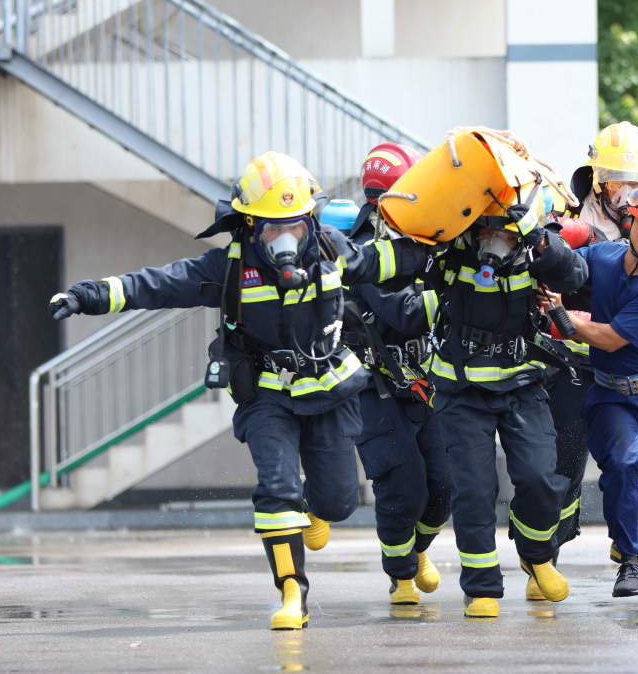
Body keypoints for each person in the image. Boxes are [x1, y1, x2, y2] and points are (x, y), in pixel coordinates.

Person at [48, 151, 427, 630]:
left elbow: (383, 260)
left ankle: (312, 507)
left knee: (338, 504)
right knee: (277, 489)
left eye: (294, 224)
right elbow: (158, 284)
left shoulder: (331, 249)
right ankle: (293, 595)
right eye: (271, 227)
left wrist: (442, 247)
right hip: (267, 396)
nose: (284, 237)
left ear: (310, 219)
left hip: (329, 392)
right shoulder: (229, 267)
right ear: (250, 226)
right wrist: (85, 295)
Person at [538, 176, 638, 612]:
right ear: (629, 219)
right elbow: (568, 264)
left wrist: (558, 313)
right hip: (611, 395)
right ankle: (631, 558)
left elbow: (609, 339)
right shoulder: (604, 256)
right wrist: (541, 239)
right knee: (625, 458)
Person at [420, 191, 588, 618]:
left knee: (539, 477)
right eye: (486, 228)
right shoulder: (454, 247)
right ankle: (481, 589)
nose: (494, 238)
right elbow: (416, 245)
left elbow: (575, 274)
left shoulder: (538, 246)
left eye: (504, 230)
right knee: (474, 490)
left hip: (522, 383)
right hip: (461, 389)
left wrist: (534, 235)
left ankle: (537, 556)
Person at [343, 142, 453, 605]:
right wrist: (454, 295)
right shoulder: (364, 250)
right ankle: (401, 575)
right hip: (374, 387)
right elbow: (404, 313)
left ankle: (418, 547)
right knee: (401, 482)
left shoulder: (420, 238)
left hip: (421, 380)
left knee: (444, 485)